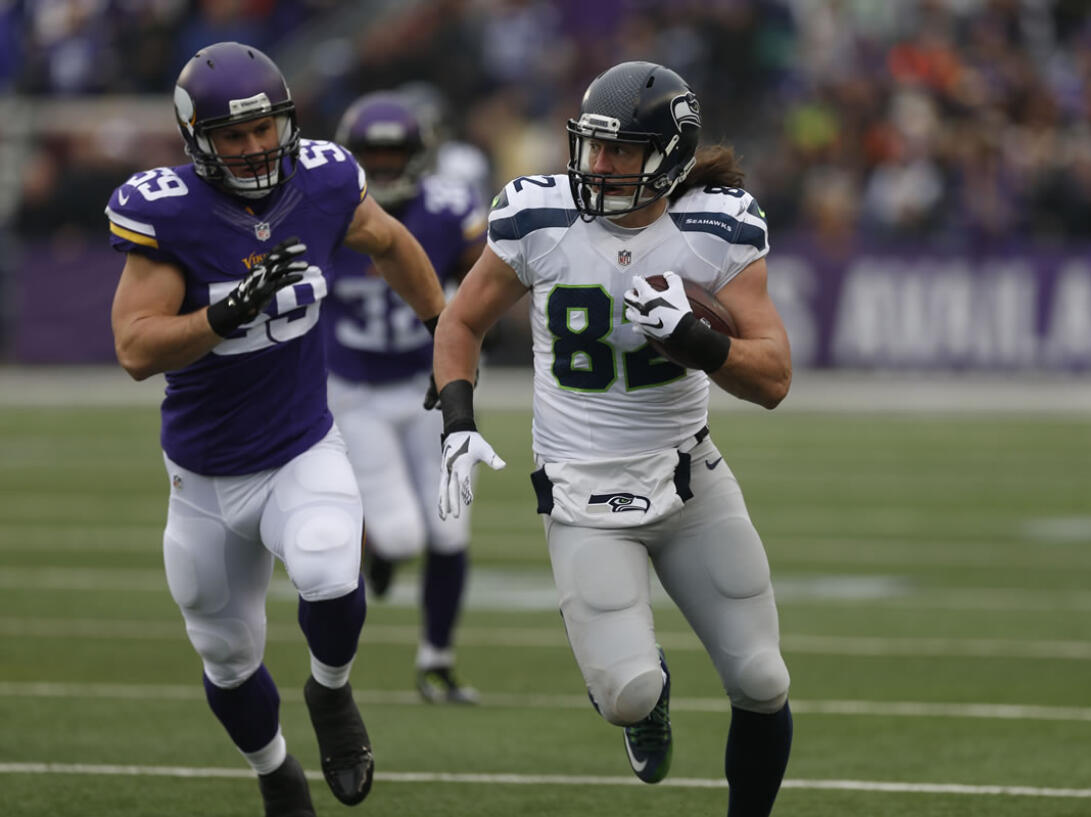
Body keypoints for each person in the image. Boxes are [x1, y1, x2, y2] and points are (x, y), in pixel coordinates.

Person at [433, 61, 794, 816]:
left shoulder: (715, 226)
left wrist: (699, 342)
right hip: (580, 489)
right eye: (593, 146)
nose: (598, 165)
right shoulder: (539, 215)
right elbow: (460, 320)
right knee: (631, 692)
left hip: (690, 478)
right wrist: (458, 421)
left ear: (667, 154)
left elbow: (773, 376)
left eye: (621, 150)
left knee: (763, 680)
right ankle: (648, 702)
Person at [107, 42, 446, 817]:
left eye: (266, 129)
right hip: (201, 475)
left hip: (300, 444)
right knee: (227, 658)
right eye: (233, 135)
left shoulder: (323, 180)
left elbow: (390, 240)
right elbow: (134, 349)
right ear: (198, 140)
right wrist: (223, 314)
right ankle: (275, 771)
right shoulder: (171, 211)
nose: (256, 147)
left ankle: (330, 696)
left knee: (330, 569)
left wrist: (441, 330)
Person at [323, 90, 486, 704]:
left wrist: (469, 351)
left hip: (429, 386)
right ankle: (372, 543)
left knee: (449, 532)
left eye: (395, 154)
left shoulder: (447, 207)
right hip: (356, 393)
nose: (385, 166)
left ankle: (437, 659)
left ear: (418, 155)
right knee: (398, 537)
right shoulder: (326, 210)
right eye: (373, 155)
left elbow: (484, 280)